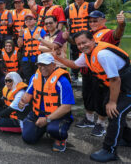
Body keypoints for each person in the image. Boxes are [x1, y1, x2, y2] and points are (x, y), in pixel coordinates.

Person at [54, 31, 131, 162]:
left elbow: (115, 80)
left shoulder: (102, 54)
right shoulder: (87, 54)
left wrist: (112, 102)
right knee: (111, 110)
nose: (82, 46)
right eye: (78, 44)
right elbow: (74, 65)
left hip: (126, 87)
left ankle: (109, 150)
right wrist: (57, 57)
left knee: (115, 113)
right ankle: (127, 138)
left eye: (84, 42)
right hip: (119, 87)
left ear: (93, 40)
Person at [63, 11, 126, 137]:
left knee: (102, 100)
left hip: (101, 73)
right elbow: (76, 43)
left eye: (95, 20)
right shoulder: (88, 34)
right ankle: (89, 119)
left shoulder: (107, 32)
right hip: (87, 70)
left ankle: (101, 124)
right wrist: (67, 38)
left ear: (103, 20)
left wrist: (122, 25)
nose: (92, 23)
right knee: (87, 95)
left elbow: (116, 35)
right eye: (90, 21)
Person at [19, 53, 74, 152]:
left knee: (55, 130)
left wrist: (47, 120)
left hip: (56, 116)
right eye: (40, 65)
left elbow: (66, 107)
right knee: (28, 138)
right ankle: (44, 128)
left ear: (53, 65)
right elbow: (27, 95)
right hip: (38, 114)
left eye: (46, 65)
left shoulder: (62, 81)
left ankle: (60, 138)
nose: (42, 68)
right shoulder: (35, 77)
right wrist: (23, 101)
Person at [65, 0, 105, 83]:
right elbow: (62, 19)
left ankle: (92, 72)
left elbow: (97, 5)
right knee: (74, 54)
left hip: (86, 35)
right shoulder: (68, 8)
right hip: (74, 36)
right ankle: (74, 75)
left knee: (89, 53)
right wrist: (67, 29)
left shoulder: (89, 6)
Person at [17, 13, 46, 83]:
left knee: (39, 78)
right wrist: (20, 36)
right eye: (26, 19)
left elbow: (46, 43)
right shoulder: (23, 31)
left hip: (38, 57)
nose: (28, 21)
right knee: (28, 79)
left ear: (35, 21)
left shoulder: (41, 30)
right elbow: (19, 45)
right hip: (27, 58)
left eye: (30, 19)